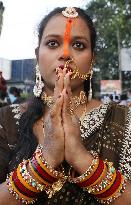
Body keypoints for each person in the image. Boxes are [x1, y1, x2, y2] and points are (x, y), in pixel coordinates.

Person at [0, 7, 131, 205]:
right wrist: (46, 161)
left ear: (92, 59)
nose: (65, 53)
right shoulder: (5, 120)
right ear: (37, 55)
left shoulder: (125, 120)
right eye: (53, 43)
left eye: (78, 45)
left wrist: (80, 157)